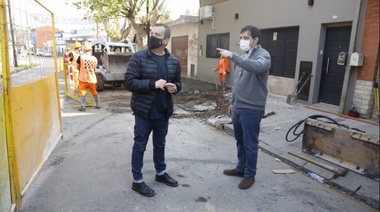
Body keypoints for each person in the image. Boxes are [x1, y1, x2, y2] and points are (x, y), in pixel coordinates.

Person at [124, 23, 182, 197]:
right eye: (152, 33)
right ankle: (138, 181)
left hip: (163, 111)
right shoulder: (138, 58)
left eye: (157, 34)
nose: (152, 36)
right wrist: (152, 84)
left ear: (165, 40)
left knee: (160, 144)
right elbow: (129, 82)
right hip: (144, 112)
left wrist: (175, 88)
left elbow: (179, 83)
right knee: (140, 145)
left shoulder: (173, 61)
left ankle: (160, 173)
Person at [217, 25, 271, 189]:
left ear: (256, 40)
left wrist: (232, 56)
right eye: (241, 37)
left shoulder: (264, 55)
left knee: (250, 143)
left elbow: (256, 67)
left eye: (246, 38)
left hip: (252, 107)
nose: (242, 41)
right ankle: (241, 168)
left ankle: (250, 174)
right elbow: (238, 81)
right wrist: (233, 102)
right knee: (240, 140)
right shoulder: (242, 56)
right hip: (239, 106)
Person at [76, 42, 100, 111]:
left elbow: (78, 67)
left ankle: (83, 106)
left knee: (82, 92)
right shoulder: (94, 59)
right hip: (91, 78)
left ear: (84, 50)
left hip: (83, 78)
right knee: (94, 91)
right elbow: (94, 69)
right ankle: (98, 104)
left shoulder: (81, 57)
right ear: (90, 50)